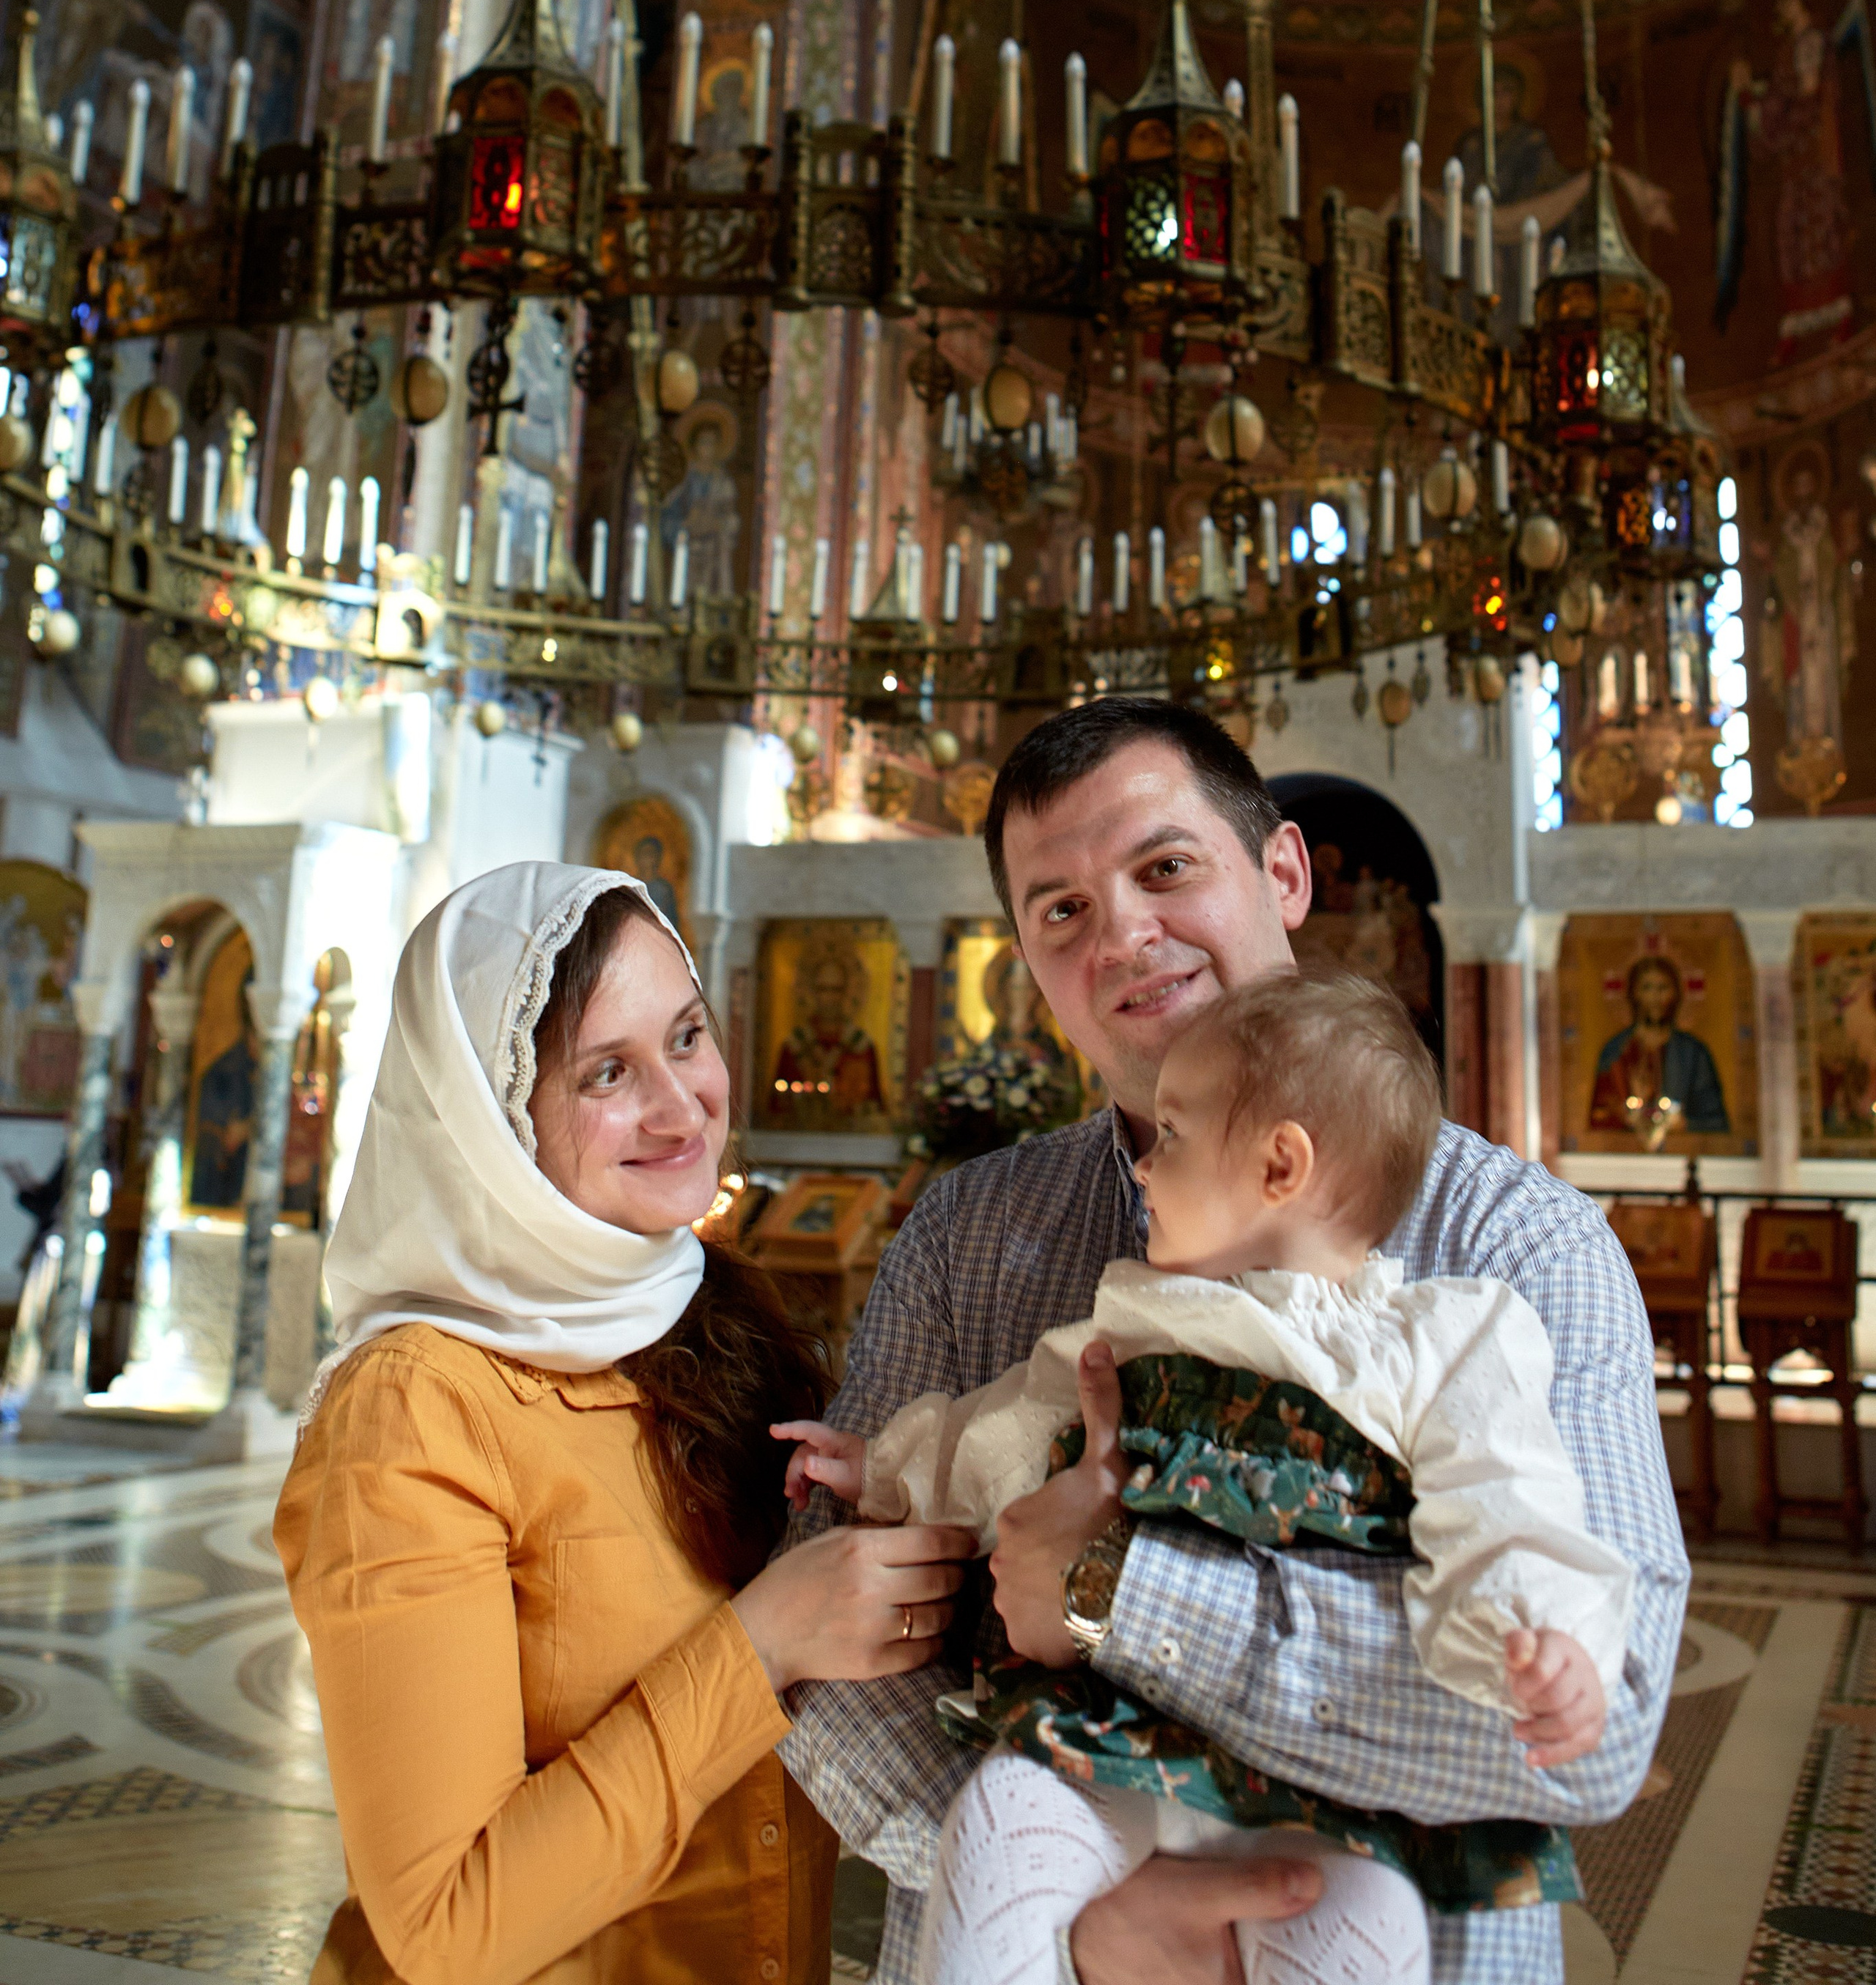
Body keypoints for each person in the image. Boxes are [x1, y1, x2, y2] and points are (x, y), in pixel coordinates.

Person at [777, 697, 1687, 1985]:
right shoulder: (967, 1234)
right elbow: (842, 1653)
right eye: (1062, 911)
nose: (1126, 937)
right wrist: (1085, 1913)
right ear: (1029, 964)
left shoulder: (1518, 1255)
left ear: (1284, 872)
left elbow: (1590, 1731)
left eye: (1164, 869)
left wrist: (1114, 1593)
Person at [276, 862, 972, 1983]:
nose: (680, 1101)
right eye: (607, 1071)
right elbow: (450, 1928)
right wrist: (760, 1644)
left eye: (688, 1036)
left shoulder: (712, 1308)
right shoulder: (416, 1407)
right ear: (487, 1120)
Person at [1587, 956, 1730, 1137]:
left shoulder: (1693, 1053)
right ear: (1634, 994)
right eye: (1647, 988)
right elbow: (1599, 1117)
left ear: (1675, 994)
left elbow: (1714, 1119)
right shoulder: (1615, 1051)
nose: (1655, 997)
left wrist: (1684, 1124)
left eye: (1663, 988)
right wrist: (1624, 1116)